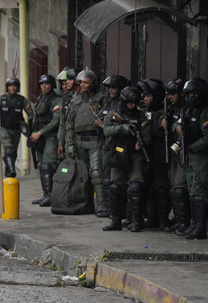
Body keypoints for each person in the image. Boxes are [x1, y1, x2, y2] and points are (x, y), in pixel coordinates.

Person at [173, 78, 208, 240]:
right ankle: (194, 224)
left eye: (195, 93)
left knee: (199, 191)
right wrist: (177, 127)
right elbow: (176, 123)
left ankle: (200, 227)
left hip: (202, 157)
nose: (192, 96)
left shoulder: (207, 112)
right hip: (190, 156)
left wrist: (192, 147)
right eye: (189, 93)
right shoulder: (188, 110)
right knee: (192, 190)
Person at [102, 86, 149, 232]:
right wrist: (123, 128)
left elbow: (147, 134)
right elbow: (106, 130)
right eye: (130, 103)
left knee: (135, 187)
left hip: (135, 155)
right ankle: (116, 220)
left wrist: (140, 144)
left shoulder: (140, 116)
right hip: (119, 153)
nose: (133, 106)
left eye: (135, 103)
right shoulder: (114, 114)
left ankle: (135, 221)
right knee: (115, 187)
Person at [64, 70, 109, 216]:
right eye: (81, 82)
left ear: (93, 84)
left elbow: (108, 118)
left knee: (96, 173)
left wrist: (101, 123)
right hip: (79, 142)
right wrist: (69, 144)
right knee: (82, 175)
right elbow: (69, 124)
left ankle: (101, 205)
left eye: (85, 82)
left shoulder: (102, 99)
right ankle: (86, 204)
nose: (82, 85)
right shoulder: (76, 100)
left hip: (95, 141)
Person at [138, 79, 170, 230]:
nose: (145, 98)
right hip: (145, 156)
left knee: (162, 188)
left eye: (148, 95)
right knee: (148, 188)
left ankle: (164, 221)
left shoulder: (164, 113)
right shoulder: (143, 112)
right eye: (144, 95)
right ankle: (151, 218)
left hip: (160, 155)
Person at [29, 74, 63, 207]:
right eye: (42, 84)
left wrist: (40, 132)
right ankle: (45, 194)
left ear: (52, 85)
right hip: (39, 136)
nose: (44, 86)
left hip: (50, 136)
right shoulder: (40, 98)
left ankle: (51, 195)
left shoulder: (56, 100)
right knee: (42, 166)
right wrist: (33, 132)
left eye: (47, 84)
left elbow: (56, 121)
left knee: (49, 166)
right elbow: (36, 117)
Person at [162, 79, 191, 234]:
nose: (170, 96)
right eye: (168, 94)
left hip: (182, 151)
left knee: (180, 188)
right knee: (173, 188)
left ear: (181, 94)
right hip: (172, 151)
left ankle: (185, 223)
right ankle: (179, 220)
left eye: (173, 94)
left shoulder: (186, 109)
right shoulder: (171, 108)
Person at [99, 75, 130, 216]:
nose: (111, 90)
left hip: (123, 146)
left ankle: (123, 211)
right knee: (106, 178)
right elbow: (100, 119)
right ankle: (110, 208)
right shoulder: (108, 104)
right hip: (108, 145)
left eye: (114, 87)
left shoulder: (126, 105)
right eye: (109, 88)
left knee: (123, 181)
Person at [0, 77, 33, 178]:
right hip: (4, 129)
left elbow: (31, 113)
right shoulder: (2, 99)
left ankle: (8, 170)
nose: (12, 88)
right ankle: (12, 170)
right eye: (10, 86)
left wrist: (29, 125)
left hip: (16, 130)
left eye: (14, 86)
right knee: (8, 149)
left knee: (13, 152)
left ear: (18, 87)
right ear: (7, 87)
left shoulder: (22, 100)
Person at [55, 67, 79, 160]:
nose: (65, 86)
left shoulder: (78, 96)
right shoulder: (64, 100)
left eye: (67, 82)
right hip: (68, 139)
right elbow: (62, 123)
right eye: (63, 84)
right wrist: (60, 143)